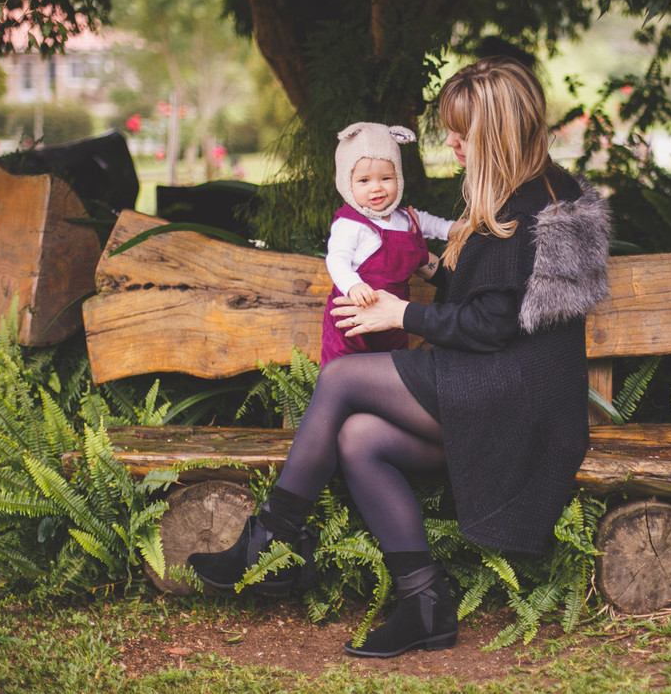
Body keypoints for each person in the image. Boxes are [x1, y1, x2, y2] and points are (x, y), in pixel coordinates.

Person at [188, 56, 612, 658]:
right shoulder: (531, 192)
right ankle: (426, 604)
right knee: (360, 437)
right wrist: (434, 271)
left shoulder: (528, 212)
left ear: (496, 134)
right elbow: (495, 296)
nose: (454, 144)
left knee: (339, 378)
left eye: (463, 133)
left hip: (515, 398)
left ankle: (272, 541)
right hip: (500, 384)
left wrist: (400, 314)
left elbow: (492, 324)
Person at [321, 122, 455, 365]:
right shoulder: (351, 224)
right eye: (364, 181)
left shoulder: (404, 218)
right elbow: (336, 259)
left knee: (391, 363)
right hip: (353, 316)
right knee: (347, 370)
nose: (376, 188)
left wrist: (452, 229)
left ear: (398, 178)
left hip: (392, 315)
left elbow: (429, 223)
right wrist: (353, 286)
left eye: (386, 178)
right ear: (346, 182)